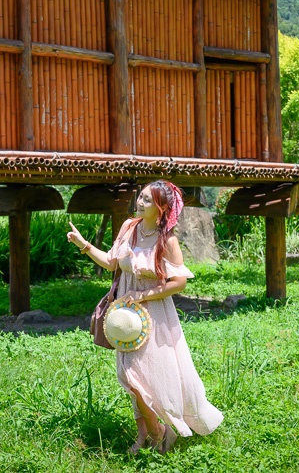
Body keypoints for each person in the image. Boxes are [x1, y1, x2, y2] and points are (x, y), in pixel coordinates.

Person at [67, 180, 224, 454]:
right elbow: (111, 263)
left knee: (143, 376)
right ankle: (146, 433)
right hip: (126, 316)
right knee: (129, 376)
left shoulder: (168, 240)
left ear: (161, 209)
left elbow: (179, 283)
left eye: (147, 200)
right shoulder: (130, 228)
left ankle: (160, 432)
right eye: (140, 197)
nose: (139, 202)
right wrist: (85, 245)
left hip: (154, 313)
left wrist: (144, 294)